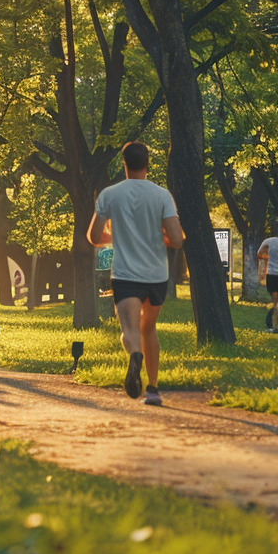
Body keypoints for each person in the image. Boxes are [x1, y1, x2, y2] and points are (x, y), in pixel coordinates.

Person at [86, 141, 184, 406]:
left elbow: (94, 237)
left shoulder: (109, 194)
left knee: (129, 330)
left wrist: (114, 235)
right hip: (156, 276)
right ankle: (152, 390)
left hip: (126, 275)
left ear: (124, 163)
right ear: (148, 164)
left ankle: (134, 356)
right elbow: (176, 239)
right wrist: (160, 236)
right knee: (148, 328)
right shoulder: (162, 195)